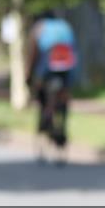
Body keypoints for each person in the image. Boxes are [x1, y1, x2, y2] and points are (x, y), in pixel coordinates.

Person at [26, 10, 78, 147]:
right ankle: (63, 123)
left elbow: (33, 54)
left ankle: (46, 117)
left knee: (41, 89)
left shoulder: (39, 27)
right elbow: (74, 49)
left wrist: (29, 76)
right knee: (64, 94)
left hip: (47, 64)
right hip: (66, 65)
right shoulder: (65, 26)